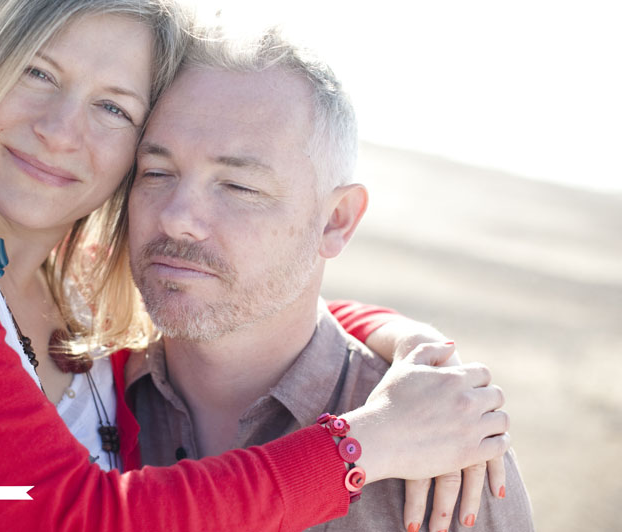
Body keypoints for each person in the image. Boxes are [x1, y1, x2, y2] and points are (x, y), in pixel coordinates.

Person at [0, 0, 507, 530]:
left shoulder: (87, 297)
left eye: (113, 107)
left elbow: (243, 287)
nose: (61, 130)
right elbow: (67, 516)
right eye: (37, 72)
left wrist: (409, 343)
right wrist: (366, 445)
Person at [124, 29, 534, 532]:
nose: (176, 217)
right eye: (156, 172)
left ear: (336, 219)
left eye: (238, 185)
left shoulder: (448, 448)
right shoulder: (80, 391)